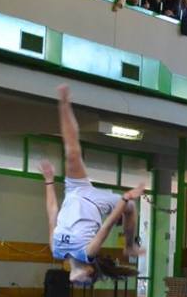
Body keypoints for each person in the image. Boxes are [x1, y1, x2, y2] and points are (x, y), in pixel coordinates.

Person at [41, 85, 145, 284]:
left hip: (75, 190)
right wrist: (124, 199)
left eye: (77, 282)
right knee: (131, 207)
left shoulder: (56, 251)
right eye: (85, 280)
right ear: (90, 271)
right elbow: (106, 226)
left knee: (71, 153)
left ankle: (63, 105)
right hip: (96, 203)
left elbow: (52, 214)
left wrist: (49, 181)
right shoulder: (87, 252)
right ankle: (129, 245)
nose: (79, 281)